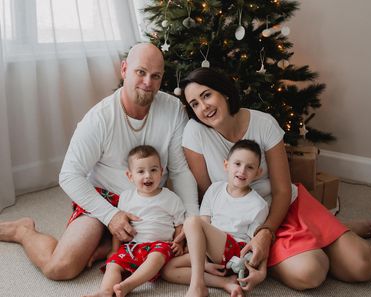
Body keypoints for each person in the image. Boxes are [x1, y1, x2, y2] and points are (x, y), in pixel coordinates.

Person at [163, 67, 371, 292]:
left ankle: (325, 231)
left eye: (206, 95)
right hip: (246, 222)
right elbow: (209, 193)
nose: (203, 107)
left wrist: (266, 232)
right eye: (194, 103)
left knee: (364, 265)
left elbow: (282, 190)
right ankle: (319, 238)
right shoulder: (194, 133)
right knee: (310, 273)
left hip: (284, 206)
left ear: (224, 92)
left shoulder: (263, 123)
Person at [0, 43, 198, 280]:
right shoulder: (99, 119)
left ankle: (107, 244)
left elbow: (180, 171)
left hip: (149, 200)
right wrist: (109, 216)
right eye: (140, 72)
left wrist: (190, 219)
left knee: (178, 252)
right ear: (124, 70)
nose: (148, 82)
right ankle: (23, 231)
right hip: (103, 200)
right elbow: (69, 175)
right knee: (60, 268)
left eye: (155, 76)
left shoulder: (173, 109)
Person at [162, 139, 270, 297]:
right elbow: (204, 224)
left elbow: (258, 244)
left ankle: (197, 286)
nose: (242, 171)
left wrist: (262, 272)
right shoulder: (214, 190)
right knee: (168, 269)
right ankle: (224, 283)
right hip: (211, 253)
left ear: (258, 173)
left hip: (235, 253)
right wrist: (204, 262)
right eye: (237, 164)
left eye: (250, 167)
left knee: (192, 221)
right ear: (226, 165)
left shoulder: (258, 205)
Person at [85, 145, 185, 297]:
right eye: (141, 171)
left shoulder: (170, 198)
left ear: (162, 171)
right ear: (130, 176)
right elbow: (120, 227)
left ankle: (128, 285)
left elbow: (179, 224)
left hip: (160, 245)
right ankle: (105, 291)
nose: (148, 176)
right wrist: (114, 249)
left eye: (153, 170)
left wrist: (178, 242)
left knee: (156, 257)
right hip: (133, 246)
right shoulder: (126, 198)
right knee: (113, 264)